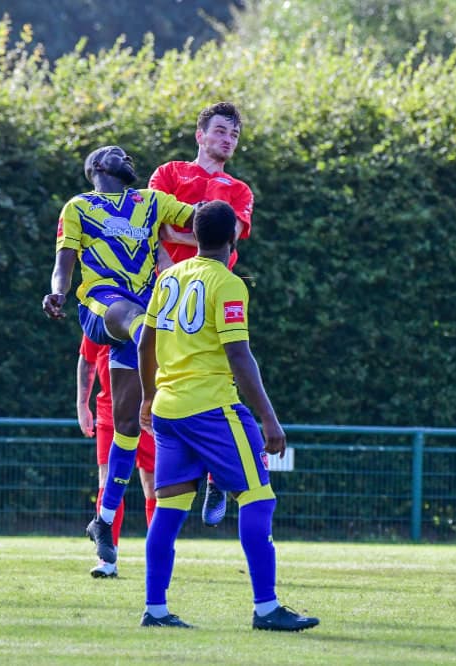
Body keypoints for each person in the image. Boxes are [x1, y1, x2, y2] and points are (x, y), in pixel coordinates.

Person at [137, 201, 319, 631]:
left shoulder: (168, 277)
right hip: (212, 409)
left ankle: (155, 610)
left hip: (168, 411)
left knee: (169, 510)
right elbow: (239, 355)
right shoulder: (228, 283)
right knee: (258, 499)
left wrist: (147, 397)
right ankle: (266, 608)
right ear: (234, 237)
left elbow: (146, 342)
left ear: (195, 236)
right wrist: (269, 419)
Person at [44, 144, 195, 567]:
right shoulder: (79, 206)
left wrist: (219, 215)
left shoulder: (151, 201)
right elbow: (64, 261)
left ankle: (103, 520)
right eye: (116, 153)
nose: (126, 157)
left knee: (128, 428)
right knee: (143, 323)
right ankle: (162, 404)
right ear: (96, 166)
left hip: (144, 319)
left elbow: (197, 219)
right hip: (103, 304)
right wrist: (57, 292)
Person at [149, 101, 255, 526]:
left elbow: (226, 237)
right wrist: (165, 265)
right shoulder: (169, 174)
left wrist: (176, 236)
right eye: (221, 131)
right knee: (159, 379)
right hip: (169, 293)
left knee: (222, 376)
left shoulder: (239, 190)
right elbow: (151, 228)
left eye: (234, 135)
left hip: (210, 296)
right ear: (200, 135)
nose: (228, 139)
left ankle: (215, 475)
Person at [77, 334, 157, 578]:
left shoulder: (153, 316)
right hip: (110, 413)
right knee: (107, 480)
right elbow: (87, 358)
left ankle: (158, 555)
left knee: (154, 486)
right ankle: (107, 558)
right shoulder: (101, 316)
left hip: (149, 413)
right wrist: (82, 405)